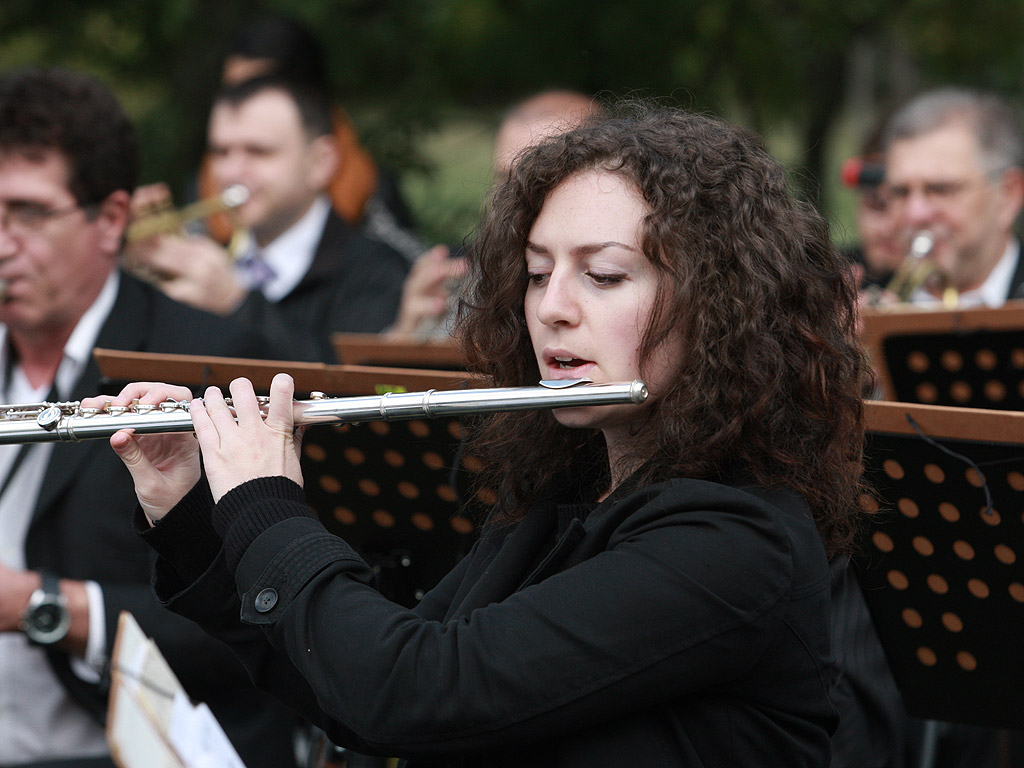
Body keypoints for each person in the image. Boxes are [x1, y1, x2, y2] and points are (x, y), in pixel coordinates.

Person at [94, 105, 869, 766]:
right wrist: (195, 510)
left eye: (601, 276)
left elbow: (417, 690)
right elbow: (348, 691)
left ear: (720, 308)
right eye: (536, 273)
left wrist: (266, 503)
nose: (553, 309)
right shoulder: (565, 499)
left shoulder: (735, 537)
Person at [0, 67, 298, 766]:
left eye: (29, 213)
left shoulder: (212, 359)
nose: (2, 242)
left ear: (110, 221)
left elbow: (264, 617)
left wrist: (48, 608)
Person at [127, 73, 410, 362]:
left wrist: (236, 304)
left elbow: (347, 391)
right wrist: (133, 279)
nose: (230, 173)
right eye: (221, 152)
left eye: (258, 152)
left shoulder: (377, 271)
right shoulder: (214, 252)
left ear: (320, 162)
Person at [383, 89, 602, 340]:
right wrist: (407, 336)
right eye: (503, 177)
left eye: (537, 179)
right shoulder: (466, 273)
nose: (509, 197)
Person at [879, 87, 1024, 307]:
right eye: (900, 192)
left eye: (941, 189)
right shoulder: (855, 300)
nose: (915, 214)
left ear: (1008, 196)